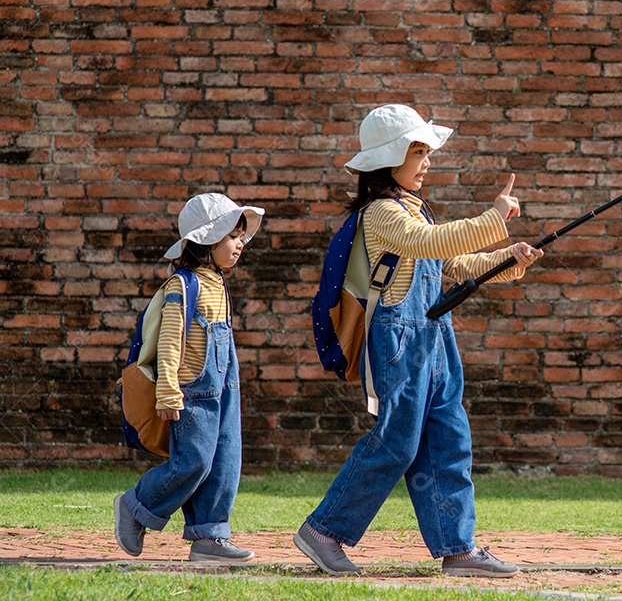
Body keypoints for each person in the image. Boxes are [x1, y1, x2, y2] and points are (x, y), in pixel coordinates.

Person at [294, 104, 543, 577]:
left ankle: (458, 547)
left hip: (435, 337)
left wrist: (509, 258)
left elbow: (456, 266)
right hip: (399, 339)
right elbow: (429, 244)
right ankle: (324, 531)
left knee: (450, 438)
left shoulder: (416, 209)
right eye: (418, 152)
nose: (427, 162)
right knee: (398, 443)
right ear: (390, 159)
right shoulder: (382, 215)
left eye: (428, 152)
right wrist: (493, 217)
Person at [114, 193, 265, 563]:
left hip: (224, 387)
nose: (240, 243)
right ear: (205, 240)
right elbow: (169, 342)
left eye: (241, 236)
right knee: (193, 461)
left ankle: (209, 537)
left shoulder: (218, 283)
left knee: (226, 459)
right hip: (193, 391)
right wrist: (168, 390)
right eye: (233, 236)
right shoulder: (183, 286)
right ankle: (137, 505)